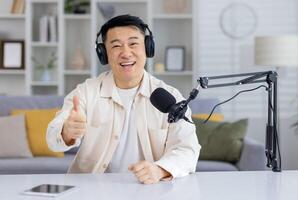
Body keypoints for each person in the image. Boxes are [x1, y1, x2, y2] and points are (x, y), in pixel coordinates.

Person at [46, 14, 200, 184]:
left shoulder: (171, 97)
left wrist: (160, 170)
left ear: (148, 48)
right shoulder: (86, 92)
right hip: (91, 191)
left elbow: (188, 149)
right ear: (104, 53)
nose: (126, 53)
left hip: (150, 190)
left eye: (133, 43)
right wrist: (66, 132)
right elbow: (53, 139)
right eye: (116, 46)